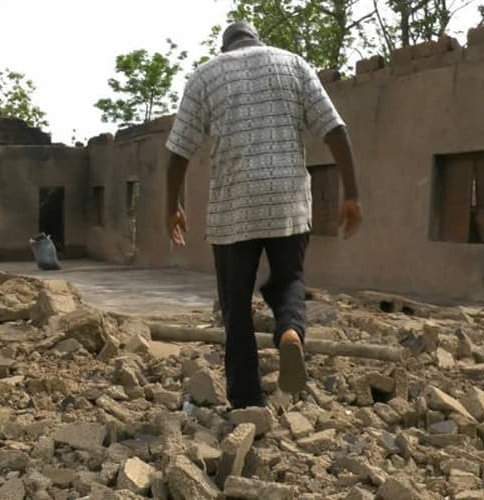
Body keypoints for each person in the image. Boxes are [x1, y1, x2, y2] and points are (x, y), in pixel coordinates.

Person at [165, 21, 362, 409]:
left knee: (235, 306)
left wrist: (172, 206)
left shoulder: (207, 75)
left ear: (226, 46)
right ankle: (290, 332)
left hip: (232, 210)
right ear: (257, 40)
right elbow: (335, 130)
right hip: (287, 203)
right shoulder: (294, 65)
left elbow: (177, 152)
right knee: (289, 279)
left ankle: (247, 402)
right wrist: (352, 194)